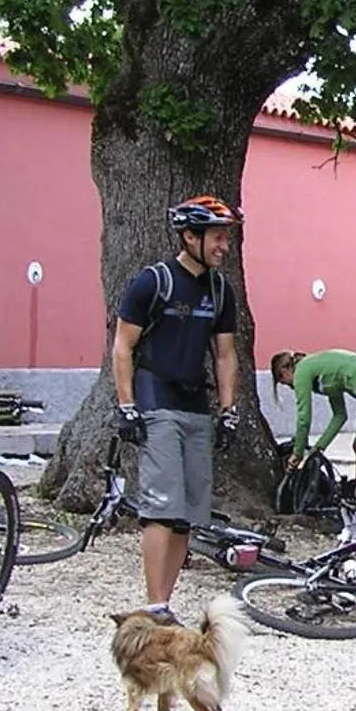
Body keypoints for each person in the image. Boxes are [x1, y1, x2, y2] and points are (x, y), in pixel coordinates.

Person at [112, 195, 242, 621]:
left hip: (196, 403)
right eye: (217, 237)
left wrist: (228, 409)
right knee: (162, 507)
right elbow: (122, 346)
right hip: (156, 399)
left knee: (187, 515)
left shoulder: (220, 290)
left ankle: (163, 605)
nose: (224, 246)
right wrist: (127, 406)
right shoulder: (154, 282)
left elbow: (225, 354)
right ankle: (154, 602)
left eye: (226, 238)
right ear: (190, 236)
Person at [270, 349, 356, 474]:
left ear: (285, 372)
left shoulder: (301, 372)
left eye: (284, 383)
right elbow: (340, 416)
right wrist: (318, 448)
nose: (291, 388)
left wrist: (297, 453)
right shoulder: (321, 372)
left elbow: (304, 418)